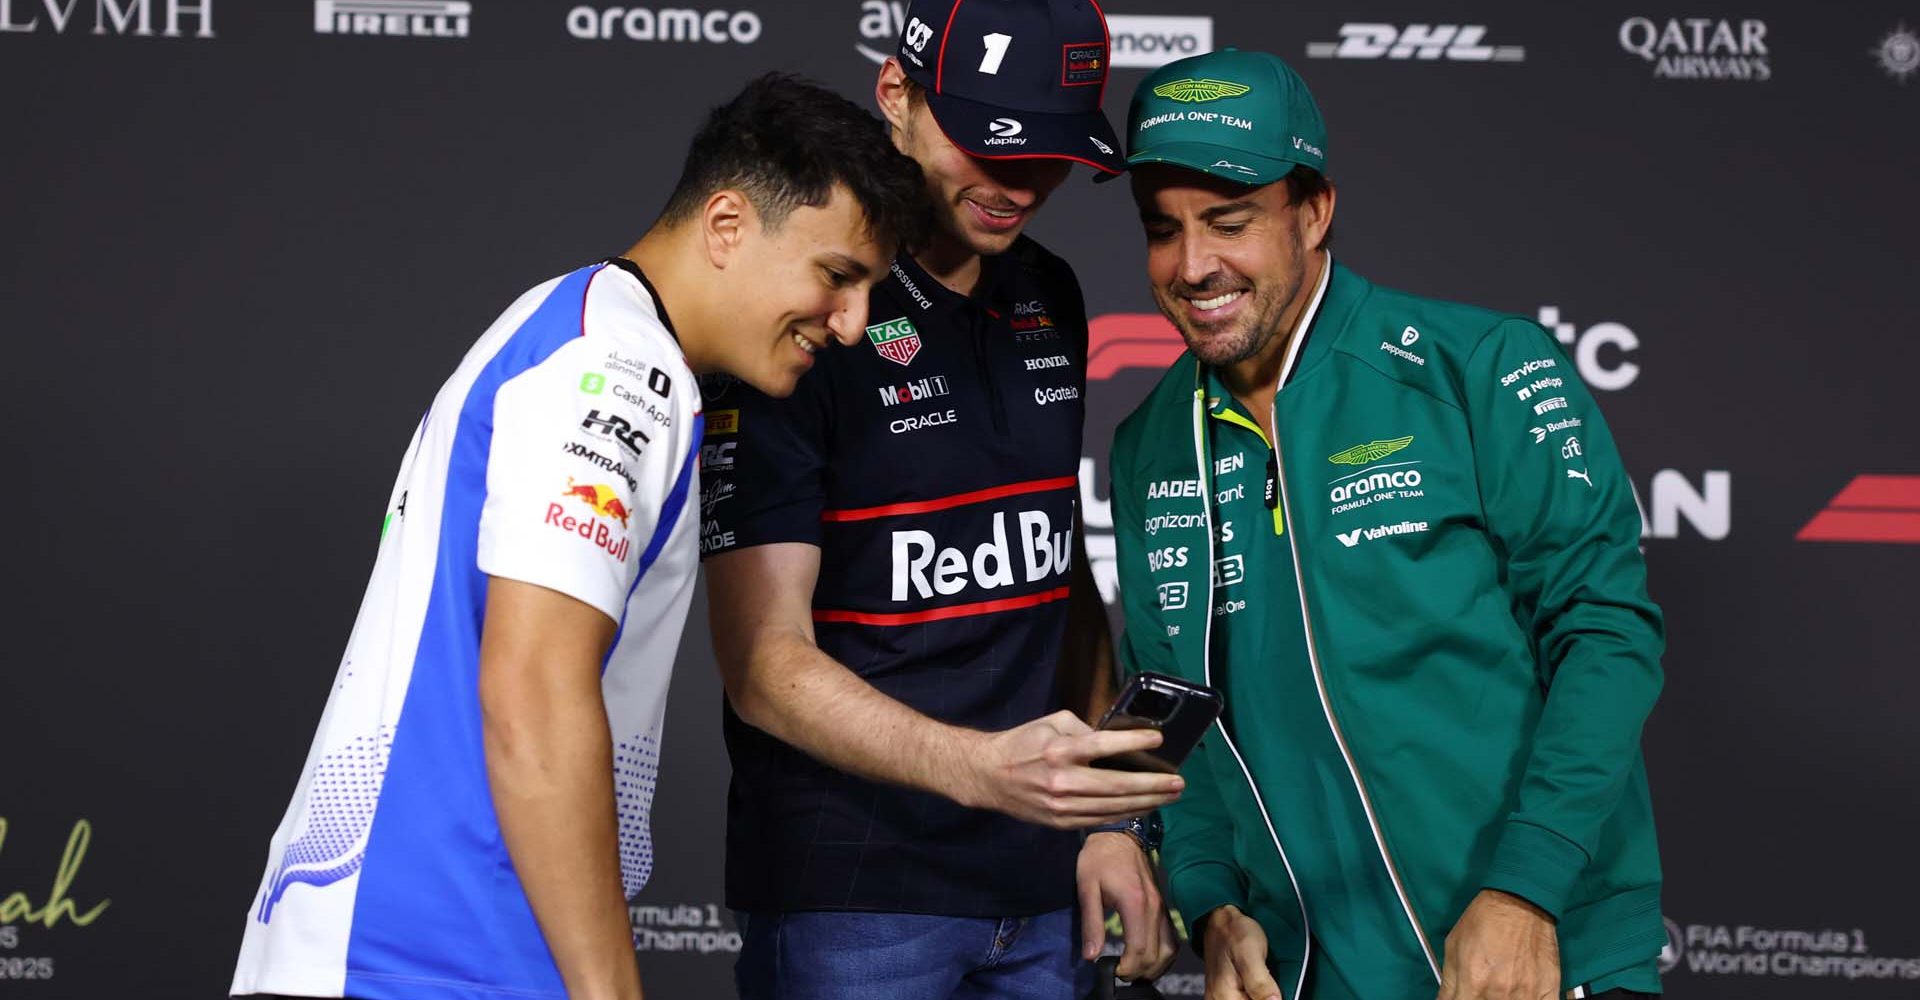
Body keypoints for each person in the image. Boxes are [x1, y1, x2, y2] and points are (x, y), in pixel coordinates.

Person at [228, 74, 927, 1000]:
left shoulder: (566, 321)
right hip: (429, 956)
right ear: (727, 226)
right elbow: (533, 688)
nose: (851, 324)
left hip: (394, 942)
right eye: (836, 276)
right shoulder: (618, 367)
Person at [1108, 49, 1666, 1000]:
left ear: (1314, 211)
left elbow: (1607, 637)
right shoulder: (1150, 442)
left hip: (1526, 952)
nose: (1194, 267)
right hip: (1310, 973)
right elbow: (1174, 714)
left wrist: (1524, 893)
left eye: (1229, 223)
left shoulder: (1477, 366)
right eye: (1165, 231)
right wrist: (1211, 902)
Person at [701, 2, 1183, 997]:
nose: (1017, 185)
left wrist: (1098, 817)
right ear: (897, 96)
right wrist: (982, 769)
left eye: (1047, 153)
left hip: (1045, 890)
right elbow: (762, 663)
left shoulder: (1049, 289)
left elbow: (1054, 571)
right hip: (855, 898)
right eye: (989, 145)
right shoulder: (802, 312)